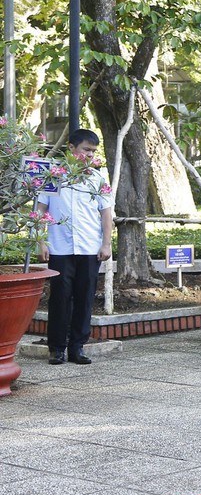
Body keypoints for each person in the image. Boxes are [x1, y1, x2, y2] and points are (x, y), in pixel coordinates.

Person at [35, 129, 113, 366]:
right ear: (71, 148)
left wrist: (106, 243)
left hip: (90, 248)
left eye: (93, 151)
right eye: (85, 150)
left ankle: (77, 347)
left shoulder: (97, 179)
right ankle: (56, 348)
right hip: (59, 248)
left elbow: (106, 214)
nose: (89, 155)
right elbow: (39, 211)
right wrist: (41, 242)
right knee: (60, 298)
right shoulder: (53, 176)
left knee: (84, 298)